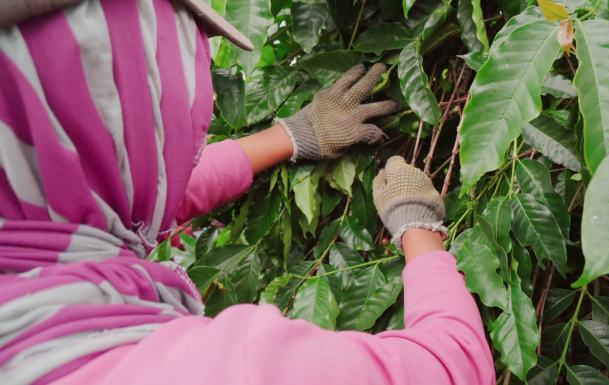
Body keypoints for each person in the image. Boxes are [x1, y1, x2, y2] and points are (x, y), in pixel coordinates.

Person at [0, 0, 495, 384]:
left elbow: (123, 191)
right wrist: (418, 229)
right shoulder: (218, 372)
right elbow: (452, 369)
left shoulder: (25, 239)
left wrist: (292, 135)